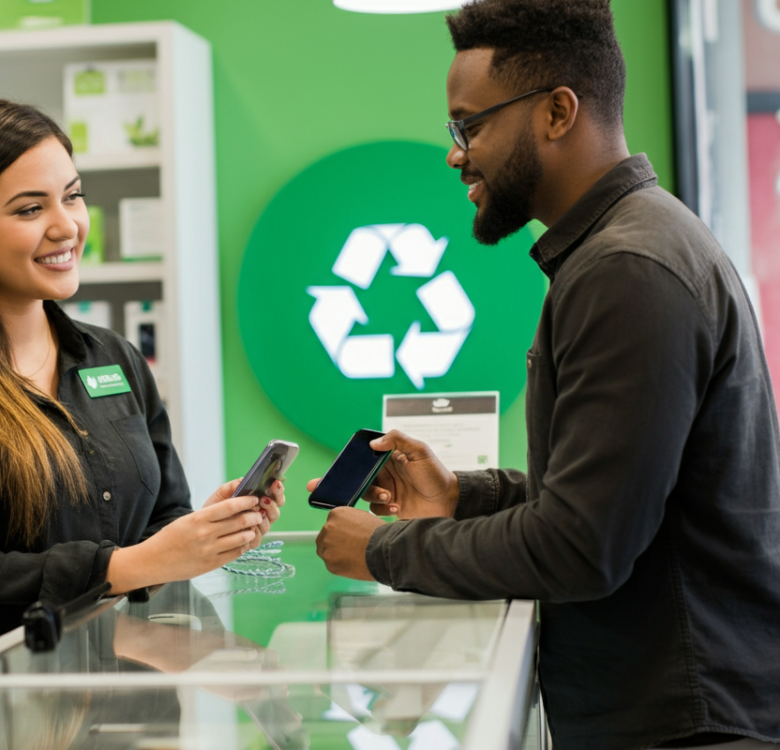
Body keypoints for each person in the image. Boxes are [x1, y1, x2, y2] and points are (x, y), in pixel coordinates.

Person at [312, 2, 780, 748]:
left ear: (558, 112)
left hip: (686, 725)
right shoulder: (624, 251)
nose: (456, 154)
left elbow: (581, 546)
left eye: (470, 126)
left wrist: (380, 549)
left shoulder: (627, 269)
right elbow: (622, 496)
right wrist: (463, 496)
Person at [0, 99, 284, 710]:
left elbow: (155, 522)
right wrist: (130, 564)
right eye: (30, 208)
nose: (66, 225)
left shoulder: (112, 361)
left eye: (72, 196)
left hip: (105, 702)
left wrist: (202, 533)